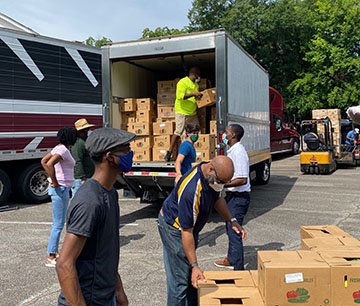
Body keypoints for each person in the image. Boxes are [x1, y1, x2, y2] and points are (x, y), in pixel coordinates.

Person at [56, 127, 135, 306]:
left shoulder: (110, 194)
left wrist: (118, 290)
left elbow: (105, 251)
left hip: (106, 297)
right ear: (109, 156)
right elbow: (64, 263)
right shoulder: (89, 201)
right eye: (125, 149)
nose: (131, 153)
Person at [158, 155, 247, 306]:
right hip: (175, 230)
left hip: (190, 229)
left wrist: (232, 220)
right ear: (211, 169)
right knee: (179, 283)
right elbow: (186, 232)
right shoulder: (192, 189)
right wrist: (194, 265)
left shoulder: (211, 177)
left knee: (191, 278)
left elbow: (217, 199)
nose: (222, 185)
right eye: (221, 182)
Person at [214, 124, 251, 270]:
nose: (224, 134)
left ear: (233, 135)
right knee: (230, 228)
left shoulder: (239, 152)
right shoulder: (232, 151)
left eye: (227, 132)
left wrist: (222, 184)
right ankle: (231, 259)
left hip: (239, 197)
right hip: (232, 196)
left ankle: (238, 269)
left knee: (234, 231)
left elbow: (242, 179)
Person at [41, 127, 77, 267]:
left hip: (61, 188)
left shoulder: (58, 148)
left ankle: (53, 252)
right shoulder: (63, 150)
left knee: (59, 222)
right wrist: (54, 181)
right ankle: (51, 256)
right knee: (58, 224)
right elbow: (49, 163)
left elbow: (44, 161)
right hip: (60, 188)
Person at [164, 67, 203, 162]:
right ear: (194, 74)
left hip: (192, 112)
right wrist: (193, 94)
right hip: (182, 111)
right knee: (178, 131)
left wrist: (199, 97)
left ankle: (189, 152)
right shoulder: (182, 82)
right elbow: (180, 96)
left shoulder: (195, 84)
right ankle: (169, 152)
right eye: (198, 75)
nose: (199, 77)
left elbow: (194, 97)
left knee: (196, 130)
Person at [70, 118, 95, 196]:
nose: (87, 131)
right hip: (81, 179)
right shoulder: (78, 143)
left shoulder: (83, 141)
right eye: (86, 130)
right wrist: (81, 177)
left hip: (87, 177)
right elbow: (77, 161)